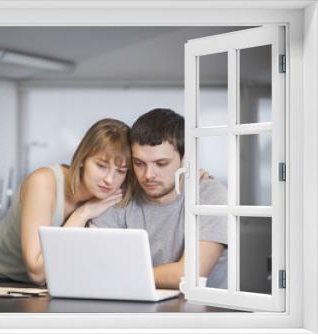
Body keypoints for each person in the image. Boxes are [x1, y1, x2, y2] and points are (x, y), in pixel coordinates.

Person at [0, 118, 134, 285]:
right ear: (82, 159)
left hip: (49, 282)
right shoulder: (43, 183)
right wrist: (82, 214)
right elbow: (37, 273)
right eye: (101, 166)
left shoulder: (108, 196)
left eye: (121, 171)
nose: (110, 179)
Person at [91, 108, 228, 289]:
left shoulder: (210, 195)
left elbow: (189, 275)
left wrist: (118, 273)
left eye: (161, 164)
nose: (148, 175)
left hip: (201, 313)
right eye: (139, 163)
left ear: (185, 159)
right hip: (132, 308)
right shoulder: (119, 195)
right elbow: (96, 265)